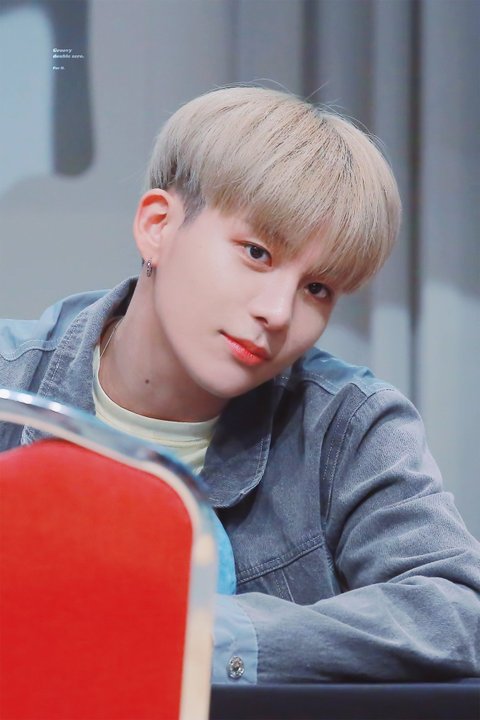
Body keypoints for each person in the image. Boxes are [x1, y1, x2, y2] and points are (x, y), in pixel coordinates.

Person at [1, 86, 479, 684]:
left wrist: (195, 635)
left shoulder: (349, 426)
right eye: (257, 253)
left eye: (317, 289)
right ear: (158, 226)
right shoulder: (11, 380)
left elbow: (457, 613)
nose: (277, 312)